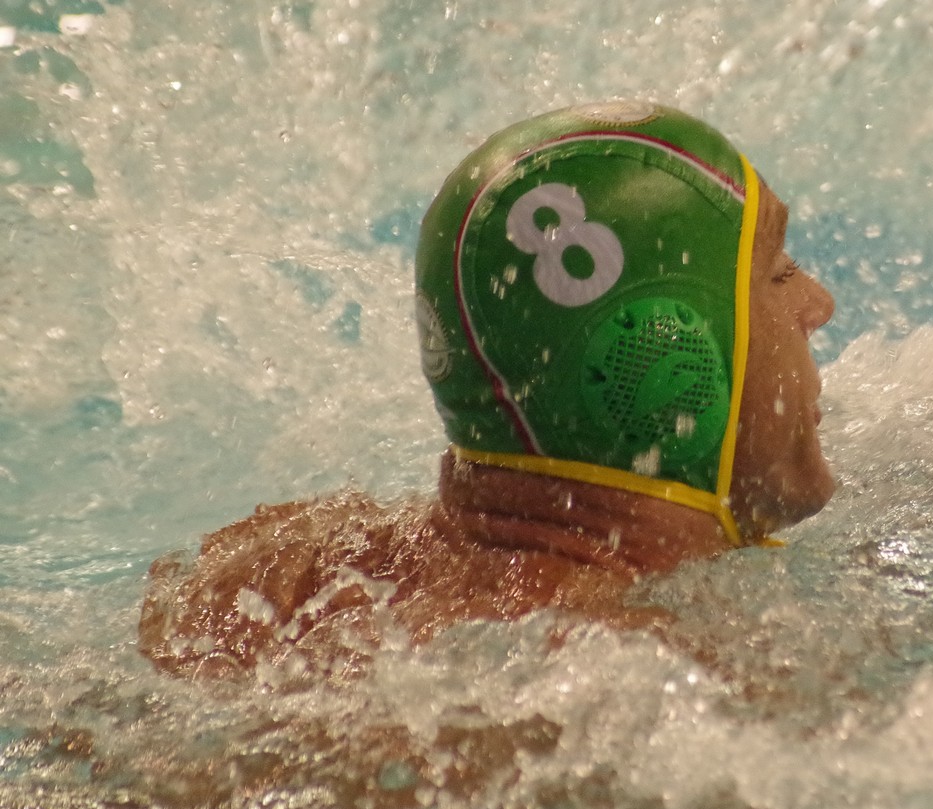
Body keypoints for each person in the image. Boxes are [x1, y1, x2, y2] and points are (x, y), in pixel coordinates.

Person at [138, 102, 836, 680]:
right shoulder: (637, 671)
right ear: (663, 359)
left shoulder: (275, 569)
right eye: (779, 273)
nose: (817, 304)